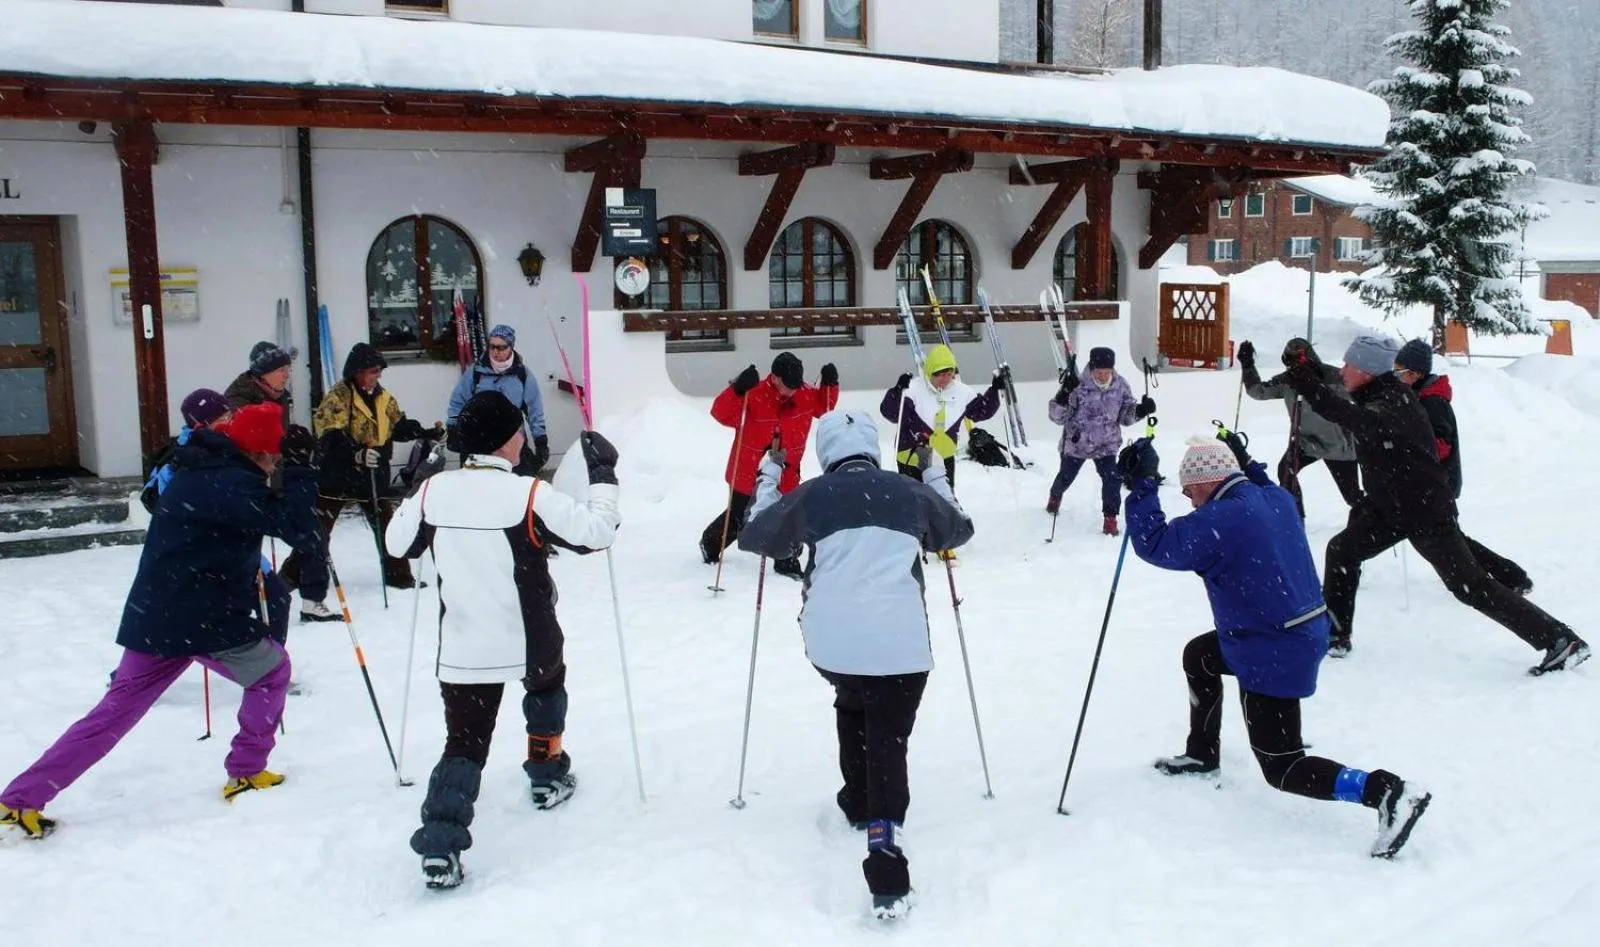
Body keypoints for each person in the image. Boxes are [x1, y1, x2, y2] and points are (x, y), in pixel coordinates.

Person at [0, 403, 316, 839]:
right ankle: (246, 771)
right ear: (260, 452)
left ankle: (19, 800)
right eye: (275, 456)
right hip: (201, 619)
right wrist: (301, 470)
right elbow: (301, 531)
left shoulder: (203, 469)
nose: (276, 463)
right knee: (271, 672)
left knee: (113, 714)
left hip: (159, 614)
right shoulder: (232, 483)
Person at [1117, 431, 1432, 859]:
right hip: (1293, 631)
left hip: (1271, 648)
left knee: (1282, 766)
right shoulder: (1274, 498)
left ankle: (1386, 792)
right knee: (1201, 655)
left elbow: (1155, 544)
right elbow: (1257, 479)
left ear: (1207, 482)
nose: (1190, 501)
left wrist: (1143, 484)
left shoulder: (1221, 520)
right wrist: (1243, 457)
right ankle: (1202, 753)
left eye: (1189, 491)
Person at [737, 409, 974, 920]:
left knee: (854, 693)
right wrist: (934, 472)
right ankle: (885, 856)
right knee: (887, 734)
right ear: (872, 447)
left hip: (831, 645)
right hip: (900, 646)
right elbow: (956, 530)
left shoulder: (813, 496)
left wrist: (770, 474)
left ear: (826, 453)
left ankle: (858, 798)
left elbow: (757, 535)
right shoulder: (908, 492)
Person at [385, 391, 621, 889]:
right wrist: (603, 476)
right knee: (547, 690)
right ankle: (546, 773)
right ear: (506, 440)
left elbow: (397, 545)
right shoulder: (528, 494)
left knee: (464, 744)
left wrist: (419, 487)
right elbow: (597, 533)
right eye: (519, 432)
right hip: (529, 637)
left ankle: (441, 843)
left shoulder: (435, 492)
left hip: (464, 644)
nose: (523, 441)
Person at [1283, 334, 1588, 672]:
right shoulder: (1381, 392)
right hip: (1393, 508)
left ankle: (1560, 640)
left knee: (1471, 587)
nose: (1342, 371)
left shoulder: (1390, 404)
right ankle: (1335, 635)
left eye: (1348, 365)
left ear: (1367, 371)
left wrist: (1309, 387)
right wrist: (1310, 372)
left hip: (1424, 511)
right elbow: (1344, 397)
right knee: (1342, 551)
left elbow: (1350, 416)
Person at [280, 343, 442, 592]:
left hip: (373, 473)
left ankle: (399, 576)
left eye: (379, 371)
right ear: (358, 372)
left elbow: (398, 426)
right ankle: (292, 575)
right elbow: (329, 436)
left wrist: (426, 432)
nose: (378, 376)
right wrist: (356, 454)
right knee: (319, 530)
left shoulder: (383, 397)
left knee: (387, 526)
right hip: (338, 475)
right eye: (373, 371)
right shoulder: (338, 397)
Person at [1393, 339, 1531, 594]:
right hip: (1428, 485)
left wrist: (1404, 443)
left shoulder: (1433, 403)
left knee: (1453, 541)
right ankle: (1504, 576)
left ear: (1416, 373)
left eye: (1400, 371)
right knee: (1450, 540)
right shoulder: (1418, 398)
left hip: (1437, 485)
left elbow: (1439, 447)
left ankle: (1510, 577)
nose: (1396, 376)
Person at [219, 342, 338, 623]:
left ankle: (311, 599)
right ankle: (242, 605)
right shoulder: (239, 400)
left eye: (288, 369)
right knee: (247, 547)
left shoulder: (279, 396)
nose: (286, 375)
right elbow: (247, 443)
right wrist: (281, 448)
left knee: (313, 533)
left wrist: (296, 444)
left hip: (279, 477)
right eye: (281, 370)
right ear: (262, 373)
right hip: (249, 485)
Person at [699, 352, 839, 579]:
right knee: (739, 518)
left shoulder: (803, 394)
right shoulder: (752, 394)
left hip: (787, 473)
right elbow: (720, 413)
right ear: (774, 377)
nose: (792, 391)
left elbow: (825, 407)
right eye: (787, 386)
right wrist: (737, 389)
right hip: (748, 470)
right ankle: (710, 544)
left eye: (795, 386)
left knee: (789, 517)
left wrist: (830, 384)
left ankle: (787, 562)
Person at [1238, 338, 1362, 518]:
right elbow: (1258, 391)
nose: (1296, 365)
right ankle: (1294, 519)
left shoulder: (1334, 377)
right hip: (1306, 443)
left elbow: (1364, 394)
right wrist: (1247, 365)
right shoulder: (1288, 380)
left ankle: (1375, 520)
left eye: (1300, 358)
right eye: (1290, 360)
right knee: (1286, 472)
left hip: (1339, 446)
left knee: (1352, 496)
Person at [1045, 346, 1154, 535]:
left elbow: (1125, 417)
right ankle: (1055, 497)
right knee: (1065, 476)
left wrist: (1141, 411)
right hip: (1077, 444)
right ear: (1091, 368)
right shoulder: (1077, 385)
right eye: (1099, 372)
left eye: (1107, 372)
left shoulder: (1121, 386)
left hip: (1106, 445)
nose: (1103, 376)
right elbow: (1057, 417)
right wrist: (1063, 395)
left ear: (1112, 369)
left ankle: (1110, 519)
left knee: (1112, 479)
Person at [445, 324, 548, 476]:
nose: (495, 352)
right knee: (478, 481)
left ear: (511, 347)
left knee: (519, 481)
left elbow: (534, 409)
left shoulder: (522, 374)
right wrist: (453, 427)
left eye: (501, 347)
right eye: (491, 346)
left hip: (512, 438)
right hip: (479, 438)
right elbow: (458, 401)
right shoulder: (476, 372)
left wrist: (540, 440)